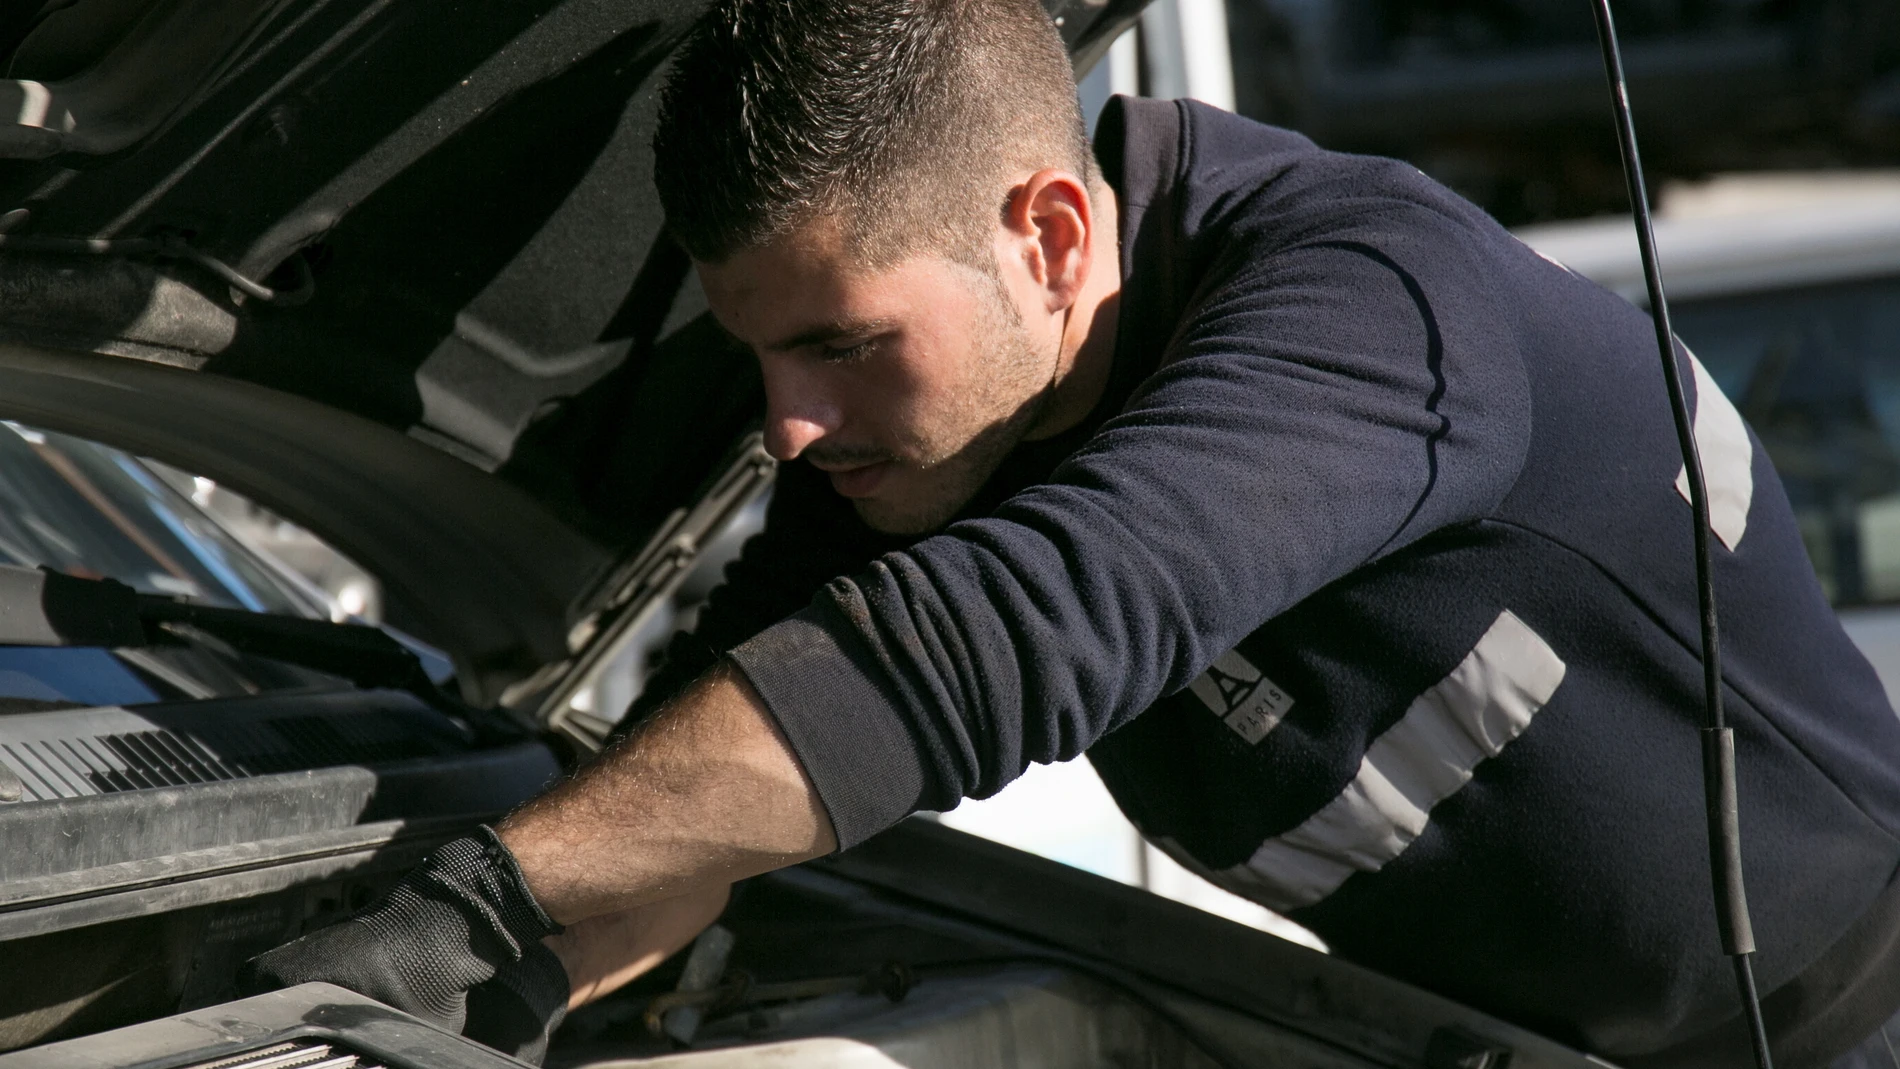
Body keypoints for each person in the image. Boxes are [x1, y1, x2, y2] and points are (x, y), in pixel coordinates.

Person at [243, 0, 1900, 1065]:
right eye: (757, 355)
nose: (782, 427)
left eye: (837, 344)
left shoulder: (1375, 304)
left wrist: (471, 904)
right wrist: (511, 976)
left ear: (1046, 233)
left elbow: (1000, 642)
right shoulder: (944, 441)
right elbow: (753, 735)